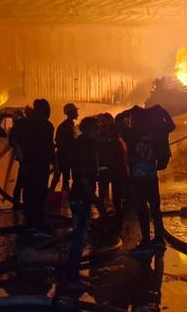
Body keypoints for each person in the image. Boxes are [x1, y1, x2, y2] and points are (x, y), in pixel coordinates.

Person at [124, 105, 175, 250]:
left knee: (142, 210)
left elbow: (119, 122)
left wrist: (130, 111)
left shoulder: (131, 136)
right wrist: (161, 110)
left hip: (138, 179)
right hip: (151, 178)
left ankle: (146, 240)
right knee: (154, 209)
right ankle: (158, 239)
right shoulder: (156, 134)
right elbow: (171, 126)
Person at [66, 117, 106, 288]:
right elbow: (82, 177)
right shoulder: (85, 147)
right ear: (88, 129)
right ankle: (72, 279)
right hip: (81, 196)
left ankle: (73, 273)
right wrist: (95, 199)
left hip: (79, 195)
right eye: (95, 128)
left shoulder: (83, 144)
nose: (98, 131)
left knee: (80, 233)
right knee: (80, 236)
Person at [10, 99, 55, 230]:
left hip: (28, 165)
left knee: (29, 193)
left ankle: (31, 223)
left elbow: (12, 138)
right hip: (40, 166)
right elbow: (50, 148)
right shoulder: (47, 126)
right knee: (39, 193)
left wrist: (20, 153)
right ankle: (36, 223)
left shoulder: (23, 124)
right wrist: (55, 165)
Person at [96, 113, 128, 216]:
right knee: (116, 196)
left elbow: (115, 159)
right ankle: (115, 213)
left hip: (112, 171)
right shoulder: (119, 141)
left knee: (114, 196)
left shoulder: (115, 142)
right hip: (115, 171)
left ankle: (107, 213)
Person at [51, 102, 78, 192]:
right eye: (75, 111)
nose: (77, 114)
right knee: (61, 178)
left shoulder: (69, 125)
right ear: (70, 113)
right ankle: (52, 195)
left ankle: (55, 195)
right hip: (64, 156)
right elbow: (61, 142)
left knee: (62, 178)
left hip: (65, 156)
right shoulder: (65, 126)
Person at [9, 108, 27, 207]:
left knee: (21, 183)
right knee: (24, 183)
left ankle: (18, 205)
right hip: (28, 160)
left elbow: (14, 144)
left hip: (24, 160)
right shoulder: (26, 126)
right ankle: (23, 205)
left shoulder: (15, 129)